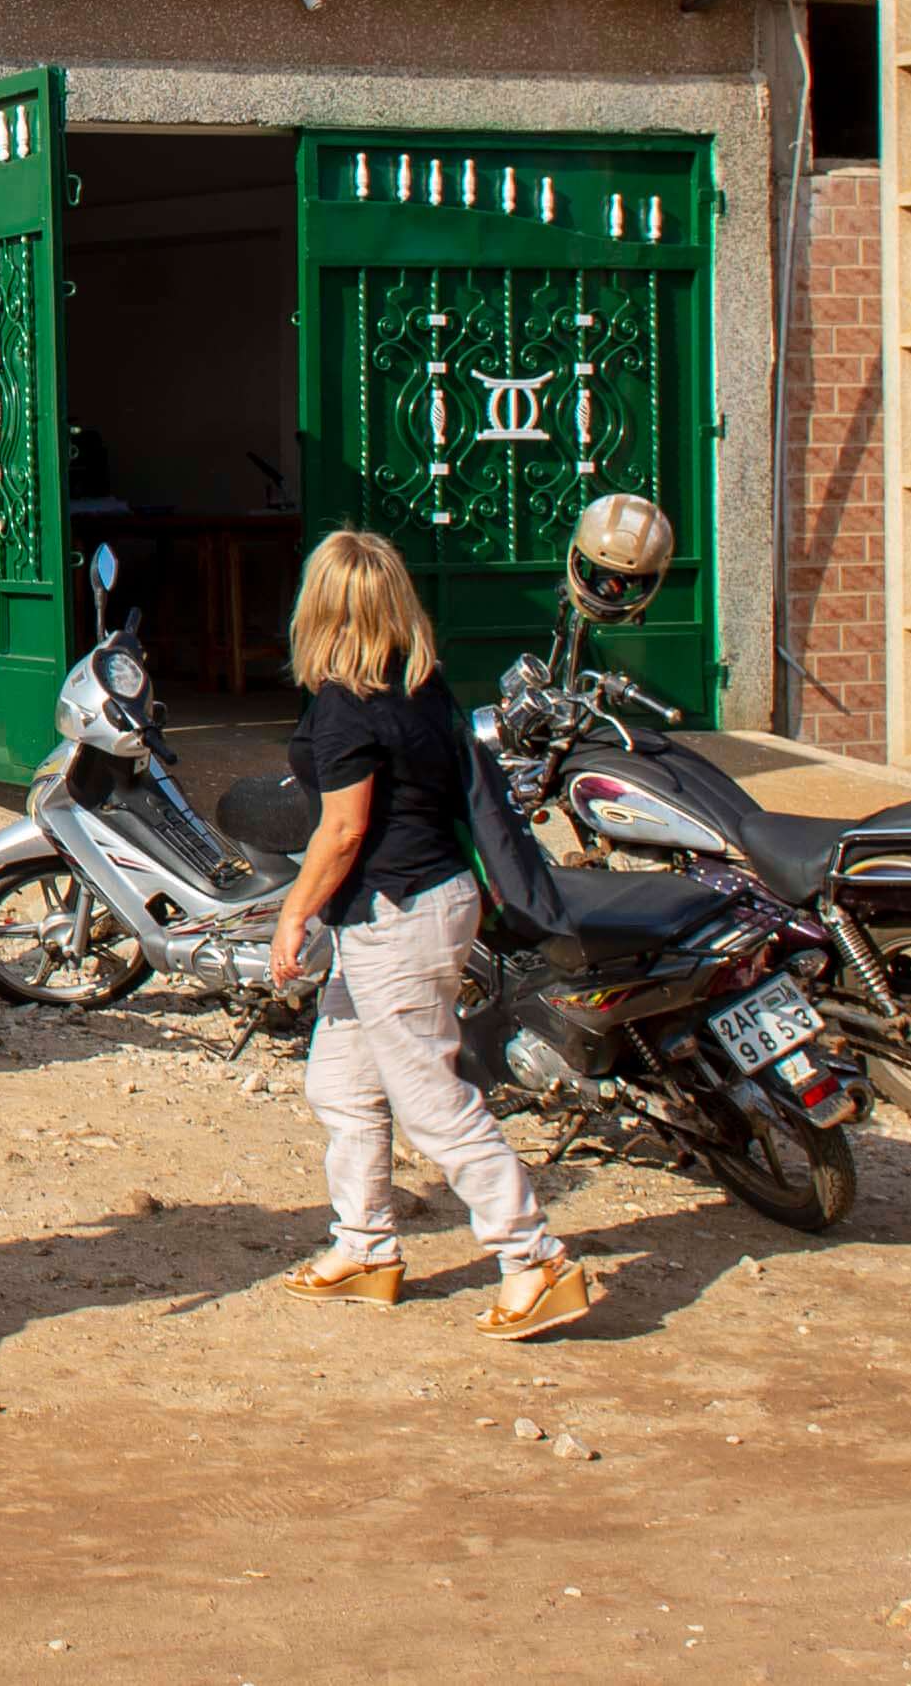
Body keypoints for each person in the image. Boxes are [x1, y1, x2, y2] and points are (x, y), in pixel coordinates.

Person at [267, 528, 595, 1337]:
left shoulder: (343, 707)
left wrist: (291, 912)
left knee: (431, 1101)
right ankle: (364, 1246)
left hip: (393, 918)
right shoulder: (420, 683)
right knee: (340, 1084)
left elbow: (342, 831)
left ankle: (534, 1258)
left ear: (320, 606)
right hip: (429, 900)